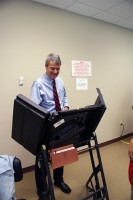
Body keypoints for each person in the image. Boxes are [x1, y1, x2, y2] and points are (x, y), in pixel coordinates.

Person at [31, 53, 71, 200]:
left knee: (60, 152)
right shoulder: (38, 83)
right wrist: (48, 117)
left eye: (58, 69)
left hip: (61, 121)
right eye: (52, 68)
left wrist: (66, 107)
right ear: (46, 66)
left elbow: (64, 96)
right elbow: (35, 108)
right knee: (42, 158)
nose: (55, 72)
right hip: (46, 124)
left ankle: (59, 180)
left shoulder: (60, 81)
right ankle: (42, 191)